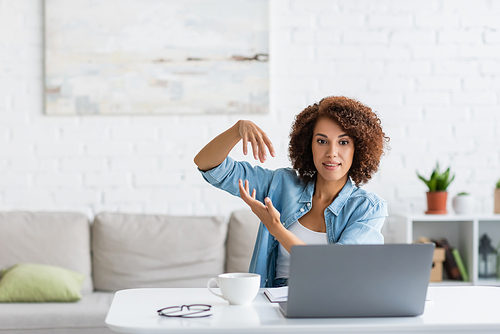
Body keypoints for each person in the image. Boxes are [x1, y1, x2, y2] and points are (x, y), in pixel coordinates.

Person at [194, 96, 390, 287]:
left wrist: (276, 228)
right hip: (272, 300)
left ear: (359, 149)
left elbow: (335, 266)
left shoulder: (368, 208)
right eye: (322, 141)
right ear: (308, 145)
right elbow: (208, 165)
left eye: (343, 142)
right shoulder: (280, 184)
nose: (332, 152)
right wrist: (237, 130)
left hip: (331, 303)